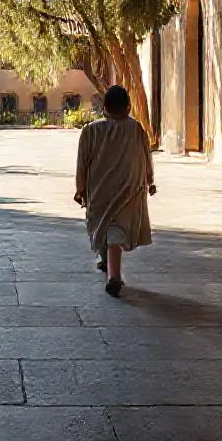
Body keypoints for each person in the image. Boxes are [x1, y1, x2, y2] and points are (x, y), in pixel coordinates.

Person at [74, 84, 156, 297]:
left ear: (104, 107)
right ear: (128, 108)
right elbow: (146, 156)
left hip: (99, 191)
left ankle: (114, 276)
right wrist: (150, 179)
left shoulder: (91, 131)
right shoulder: (136, 129)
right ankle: (108, 264)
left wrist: (80, 188)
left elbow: (82, 163)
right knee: (115, 232)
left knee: (105, 228)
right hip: (128, 190)